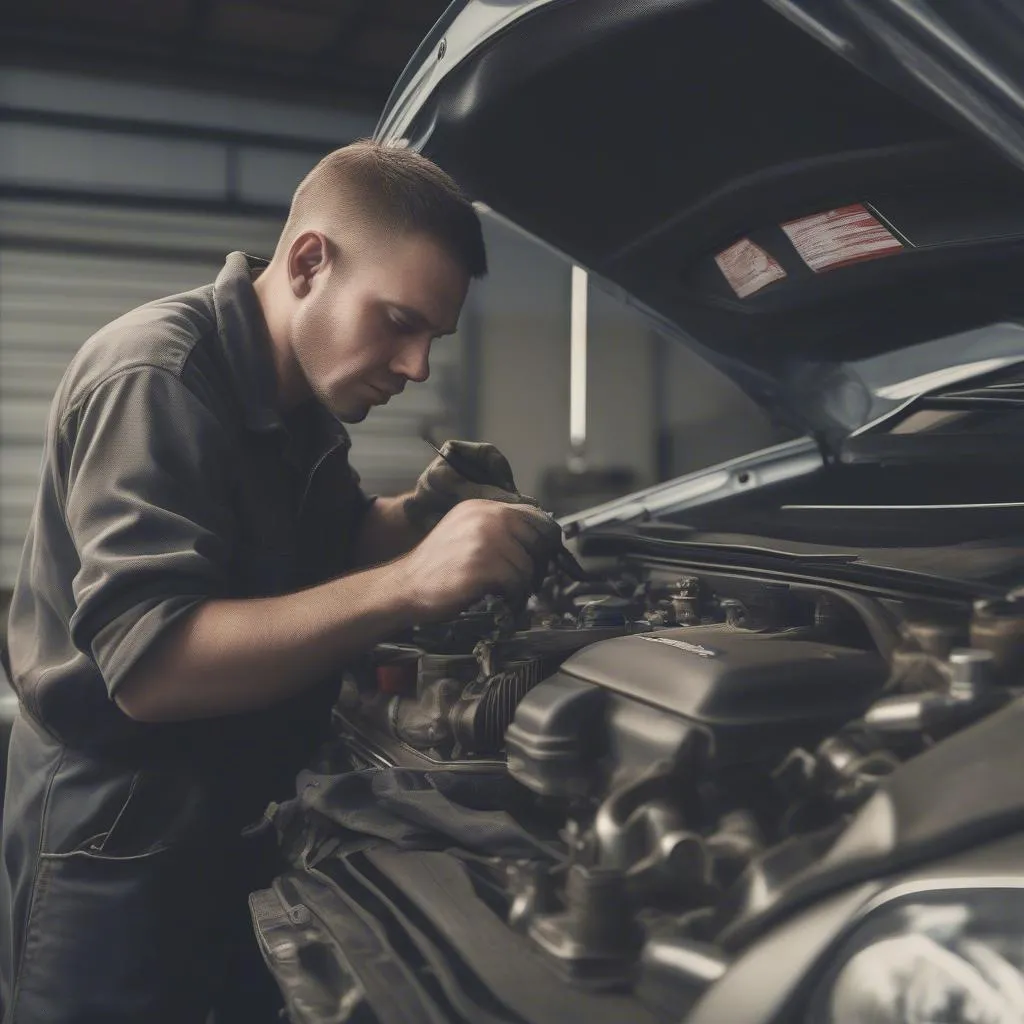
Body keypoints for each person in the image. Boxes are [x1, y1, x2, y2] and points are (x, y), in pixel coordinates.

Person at [0, 140, 559, 1023]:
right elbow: (151, 667)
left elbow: (331, 545)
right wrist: (411, 582)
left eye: (433, 339)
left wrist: (422, 509)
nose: (416, 366)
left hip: (231, 810)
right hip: (119, 831)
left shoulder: (297, 401)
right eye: (399, 321)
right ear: (308, 263)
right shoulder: (159, 377)